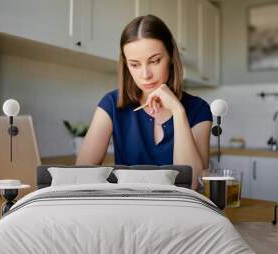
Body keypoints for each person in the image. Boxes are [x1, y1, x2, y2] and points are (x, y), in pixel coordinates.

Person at [75, 15, 212, 190]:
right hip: (128, 209)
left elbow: (191, 183)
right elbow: (79, 177)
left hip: (177, 211)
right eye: (135, 64)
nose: (145, 74)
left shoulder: (198, 110)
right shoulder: (111, 104)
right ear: (126, 65)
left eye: (154, 61)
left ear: (170, 56)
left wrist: (178, 112)